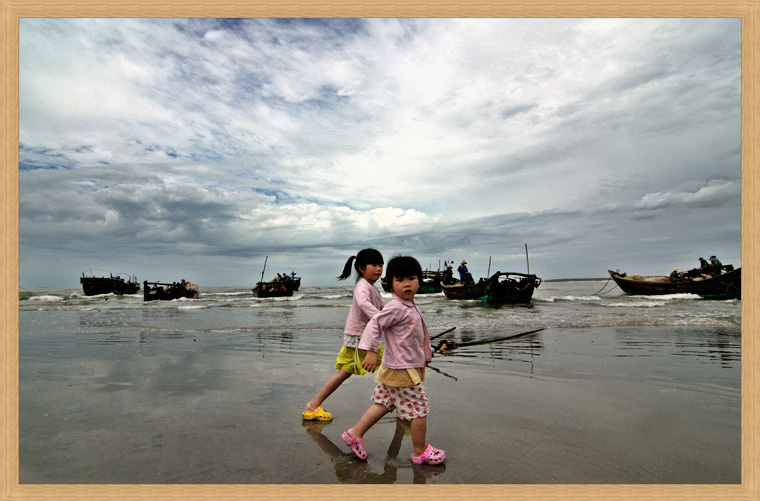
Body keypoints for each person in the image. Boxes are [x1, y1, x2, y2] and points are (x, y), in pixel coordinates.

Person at [340, 255, 446, 466]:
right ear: (390, 283)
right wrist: (369, 350)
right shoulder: (396, 307)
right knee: (419, 407)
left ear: (419, 280)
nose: (406, 284)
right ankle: (420, 451)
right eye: (400, 280)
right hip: (401, 367)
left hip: (399, 364)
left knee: (385, 403)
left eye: (411, 278)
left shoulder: (408, 304)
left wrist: (427, 352)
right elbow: (374, 325)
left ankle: (354, 434)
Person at [302, 248, 386, 421]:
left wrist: (395, 316)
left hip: (357, 335)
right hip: (361, 337)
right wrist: (381, 318)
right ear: (361, 268)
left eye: (381, 264)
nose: (378, 268)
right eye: (374, 264)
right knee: (390, 367)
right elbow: (364, 303)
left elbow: (383, 306)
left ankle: (313, 404)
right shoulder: (363, 286)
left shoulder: (371, 287)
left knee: (344, 373)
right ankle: (401, 404)